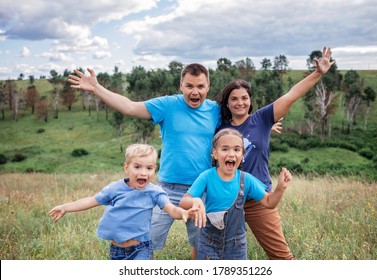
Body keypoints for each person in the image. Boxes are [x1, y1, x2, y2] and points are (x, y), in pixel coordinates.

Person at [67, 64, 220, 259]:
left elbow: (243, 120)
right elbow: (130, 106)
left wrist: (269, 124)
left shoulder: (215, 110)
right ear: (181, 85)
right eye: (189, 86)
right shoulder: (168, 105)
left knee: (202, 244)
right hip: (166, 189)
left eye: (200, 86)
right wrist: (97, 88)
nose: (195, 91)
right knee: (144, 241)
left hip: (200, 189)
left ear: (208, 86)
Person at [216, 47, 334, 259]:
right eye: (234, 99)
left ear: (250, 100)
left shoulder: (261, 119)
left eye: (244, 98)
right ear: (226, 102)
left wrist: (318, 73)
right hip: (225, 200)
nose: (240, 103)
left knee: (281, 257)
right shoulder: (220, 128)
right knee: (221, 257)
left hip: (259, 198)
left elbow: (291, 95)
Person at [49, 144, 199, 260]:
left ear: (155, 170)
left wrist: (184, 212)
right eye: (137, 167)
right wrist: (65, 207)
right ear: (126, 168)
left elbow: (171, 209)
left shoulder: (155, 192)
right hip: (116, 250)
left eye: (149, 168)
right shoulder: (115, 189)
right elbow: (92, 200)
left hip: (141, 249)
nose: (143, 172)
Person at [179, 128, 292, 260]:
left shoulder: (246, 179)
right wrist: (195, 201)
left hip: (236, 247)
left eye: (237, 149)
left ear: (243, 155)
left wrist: (280, 188)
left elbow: (269, 202)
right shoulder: (206, 177)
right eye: (225, 149)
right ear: (215, 154)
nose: (231, 154)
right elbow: (183, 202)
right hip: (208, 243)